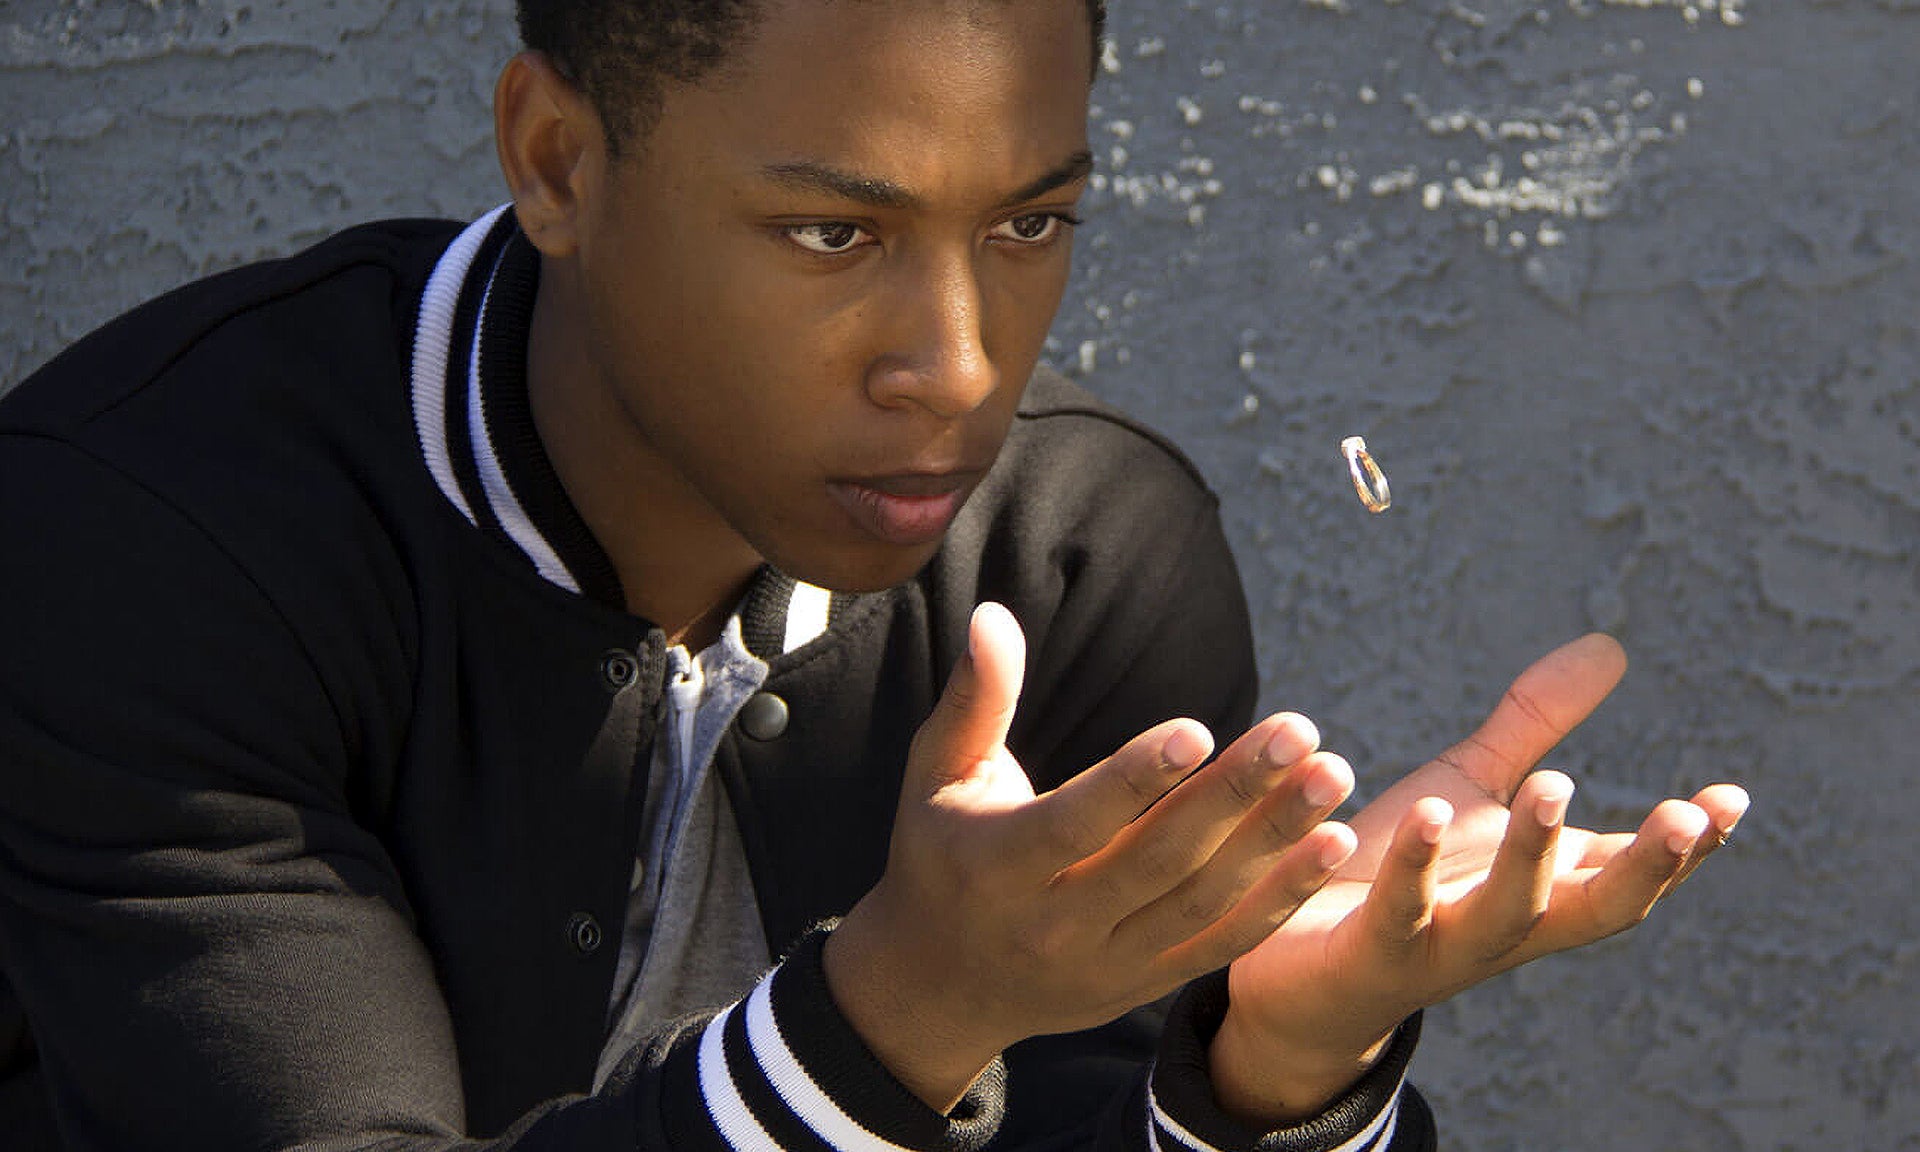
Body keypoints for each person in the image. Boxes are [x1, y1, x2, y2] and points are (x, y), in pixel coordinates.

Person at [0, 1, 1749, 1149]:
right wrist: (906, 1008)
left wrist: (1276, 1073)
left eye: (1028, 224)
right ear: (556, 160)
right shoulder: (145, 535)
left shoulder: (1082, 550)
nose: (962, 364)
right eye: (834, 234)